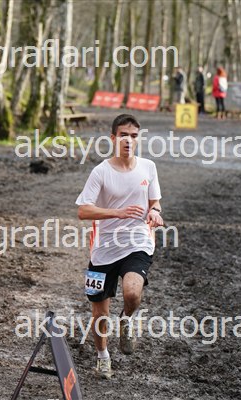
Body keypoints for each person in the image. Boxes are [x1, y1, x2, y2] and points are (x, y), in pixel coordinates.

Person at [76, 114, 164, 379]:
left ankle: (127, 319)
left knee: (133, 293)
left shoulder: (148, 167)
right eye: (124, 135)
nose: (129, 140)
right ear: (113, 138)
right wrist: (117, 212)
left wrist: (155, 212)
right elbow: (83, 211)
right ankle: (103, 357)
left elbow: (155, 202)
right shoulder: (101, 172)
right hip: (103, 250)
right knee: (100, 313)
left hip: (138, 242)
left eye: (134, 136)